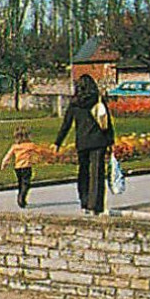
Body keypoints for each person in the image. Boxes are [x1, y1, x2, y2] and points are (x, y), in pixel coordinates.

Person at [54, 75, 115, 213]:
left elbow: (66, 124)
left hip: (82, 142)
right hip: (99, 140)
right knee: (97, 174)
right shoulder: (98, 101)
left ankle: (85, 202)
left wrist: (58, 142)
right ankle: (96, 205)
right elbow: (107, 122)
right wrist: (111, 141)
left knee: (83, 173)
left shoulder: (74, 104)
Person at [0, 124, 40, 209]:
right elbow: (40, 151)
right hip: (26, 166)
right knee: (26, 183)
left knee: (20, 183)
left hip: (17, 168)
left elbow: (8, 155)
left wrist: (4, 163)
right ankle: (21, 197)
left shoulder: (15, 146)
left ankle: (21, 197)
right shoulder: (30, 145)